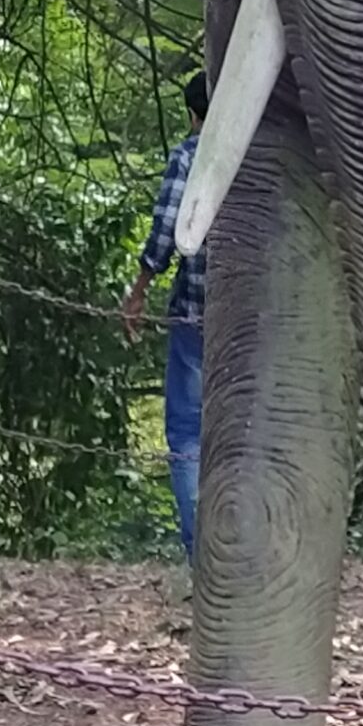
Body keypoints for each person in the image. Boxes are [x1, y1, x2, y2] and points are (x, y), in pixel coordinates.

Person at [124, 75, 207, 557]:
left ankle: (201, 555)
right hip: (253, 326)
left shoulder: (191, 155)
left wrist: (138, 291)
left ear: (193, 114)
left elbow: (168, 229)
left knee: (186, 431)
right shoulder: (263, 150)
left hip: (195, 312)